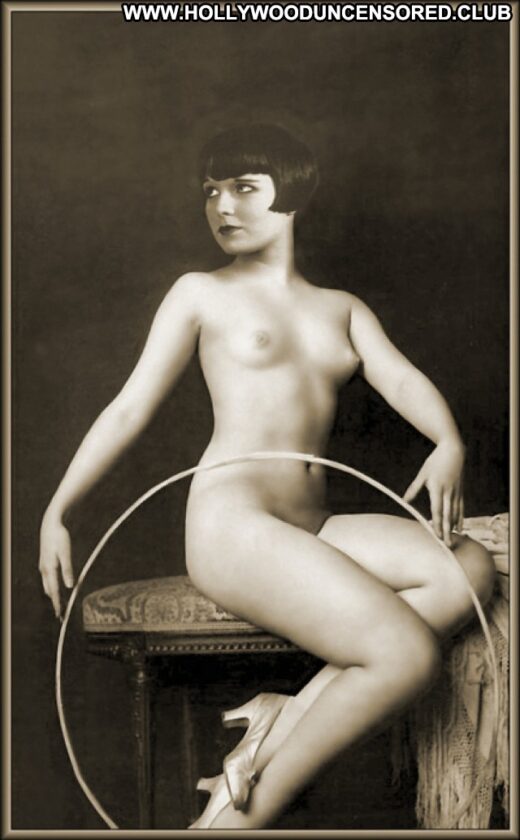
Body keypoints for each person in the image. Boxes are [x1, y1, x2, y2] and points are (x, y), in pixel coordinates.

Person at [39, 123, 496, 829]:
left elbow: (401, 379)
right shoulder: (200, 293)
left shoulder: (342, 309)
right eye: (211, 191)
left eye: (244, 188)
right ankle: (235, 821)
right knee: (404, 655)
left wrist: (449, 442)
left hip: (311, 522)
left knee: (467, 570)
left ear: (294, 195)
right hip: (235, 522)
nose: (223, 206)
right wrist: (58, 510)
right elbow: (129, 406)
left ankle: (283, 715)